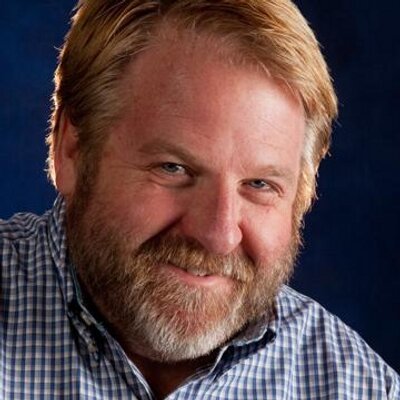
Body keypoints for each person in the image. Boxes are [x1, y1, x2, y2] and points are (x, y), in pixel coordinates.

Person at [0, 0, 399, 398]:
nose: (219, 236)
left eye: (259, 184)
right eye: (173, 168)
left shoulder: (360, 387)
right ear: (71, 149)